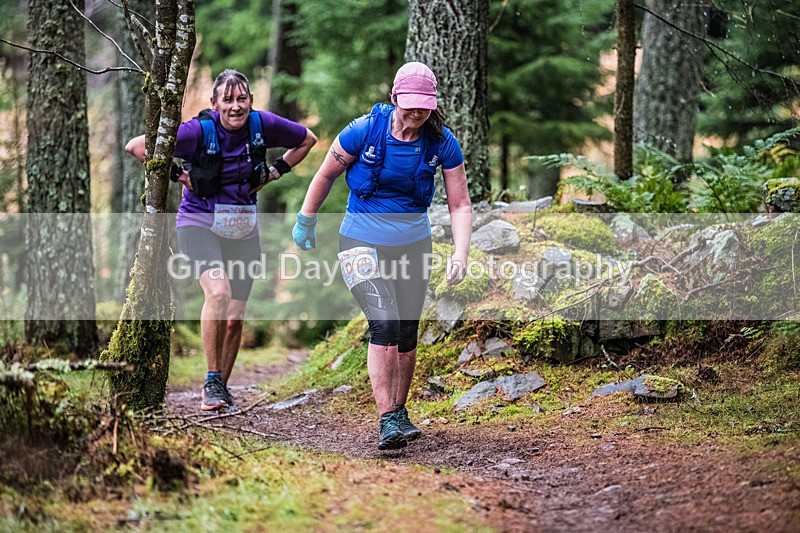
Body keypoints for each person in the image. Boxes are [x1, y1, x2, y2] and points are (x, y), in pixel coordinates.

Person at [292, 62, 472, 450]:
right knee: (385, 323)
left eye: (424, 106)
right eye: (410, 105)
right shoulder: (363, 130)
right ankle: (387, 417)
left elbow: (460, 204)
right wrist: (306, 219)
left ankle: (400, 412)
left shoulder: (442, 141)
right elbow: (325, 174)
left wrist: (460, 252)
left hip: (413, 244)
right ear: (395, 99)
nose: (416, 113)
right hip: (359, 240)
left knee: (407, 332)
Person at [126, 69, 317, 412]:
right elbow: (137, 146)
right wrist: (179, 175)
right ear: (214, 104)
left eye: (241, 98)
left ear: (251, 101)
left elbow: (308, 140)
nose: (235, 106)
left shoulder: (263, 125)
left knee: (235, 317)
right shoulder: (198, 131)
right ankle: (212, 379)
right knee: (218, 292)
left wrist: (275, 173)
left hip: (243, 229)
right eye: (227, 100)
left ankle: (221, 388)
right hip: (199, 223)